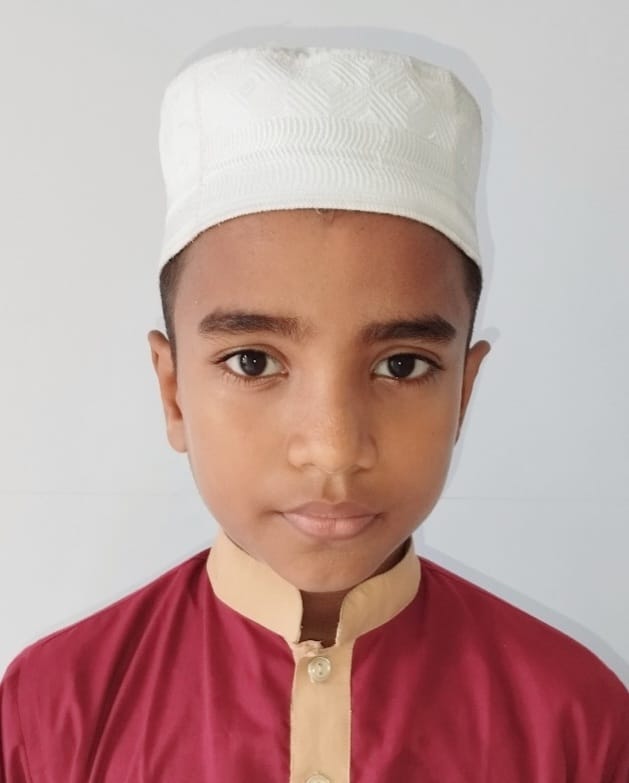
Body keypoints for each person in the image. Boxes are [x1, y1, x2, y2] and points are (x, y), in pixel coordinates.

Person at [1, 43, 627, 783]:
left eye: (401, 365)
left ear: (463, 392)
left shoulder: (576, 720)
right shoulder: (52, 712)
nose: (332, 449)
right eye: (253, 362)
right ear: (172, 392)